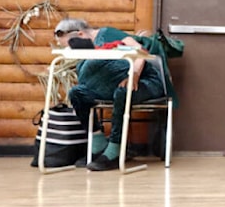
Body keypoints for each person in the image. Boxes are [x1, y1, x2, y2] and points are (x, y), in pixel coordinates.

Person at [53, 17, 166, 171]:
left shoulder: (107, 34)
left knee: (123, 91)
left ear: (80, 34)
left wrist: (133, 75)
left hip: (145, 81)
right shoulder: (89, 48)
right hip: (112, 85)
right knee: (77, 93)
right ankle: (99, 144)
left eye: (70, 45)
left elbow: (140, 50)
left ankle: (115, 150)